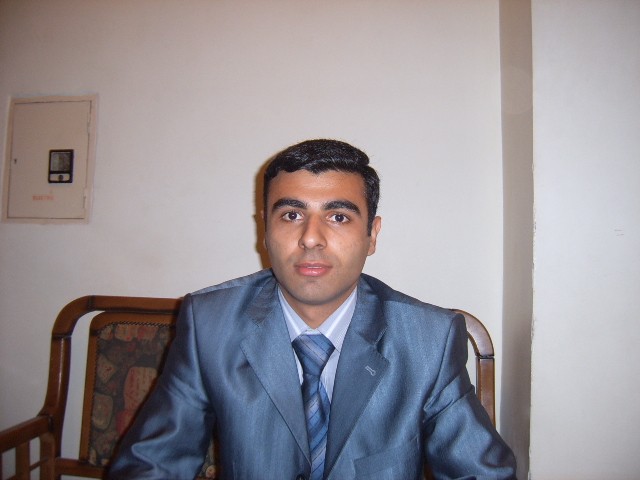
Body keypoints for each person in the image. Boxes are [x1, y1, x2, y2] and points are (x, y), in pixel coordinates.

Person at [109, 139, 516, 479]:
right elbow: (152, 465)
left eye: (338, 216)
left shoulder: (429, 340)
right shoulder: (209, 324)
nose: (311, 238)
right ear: (264, 230)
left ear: (372, 235)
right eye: (291, 215)